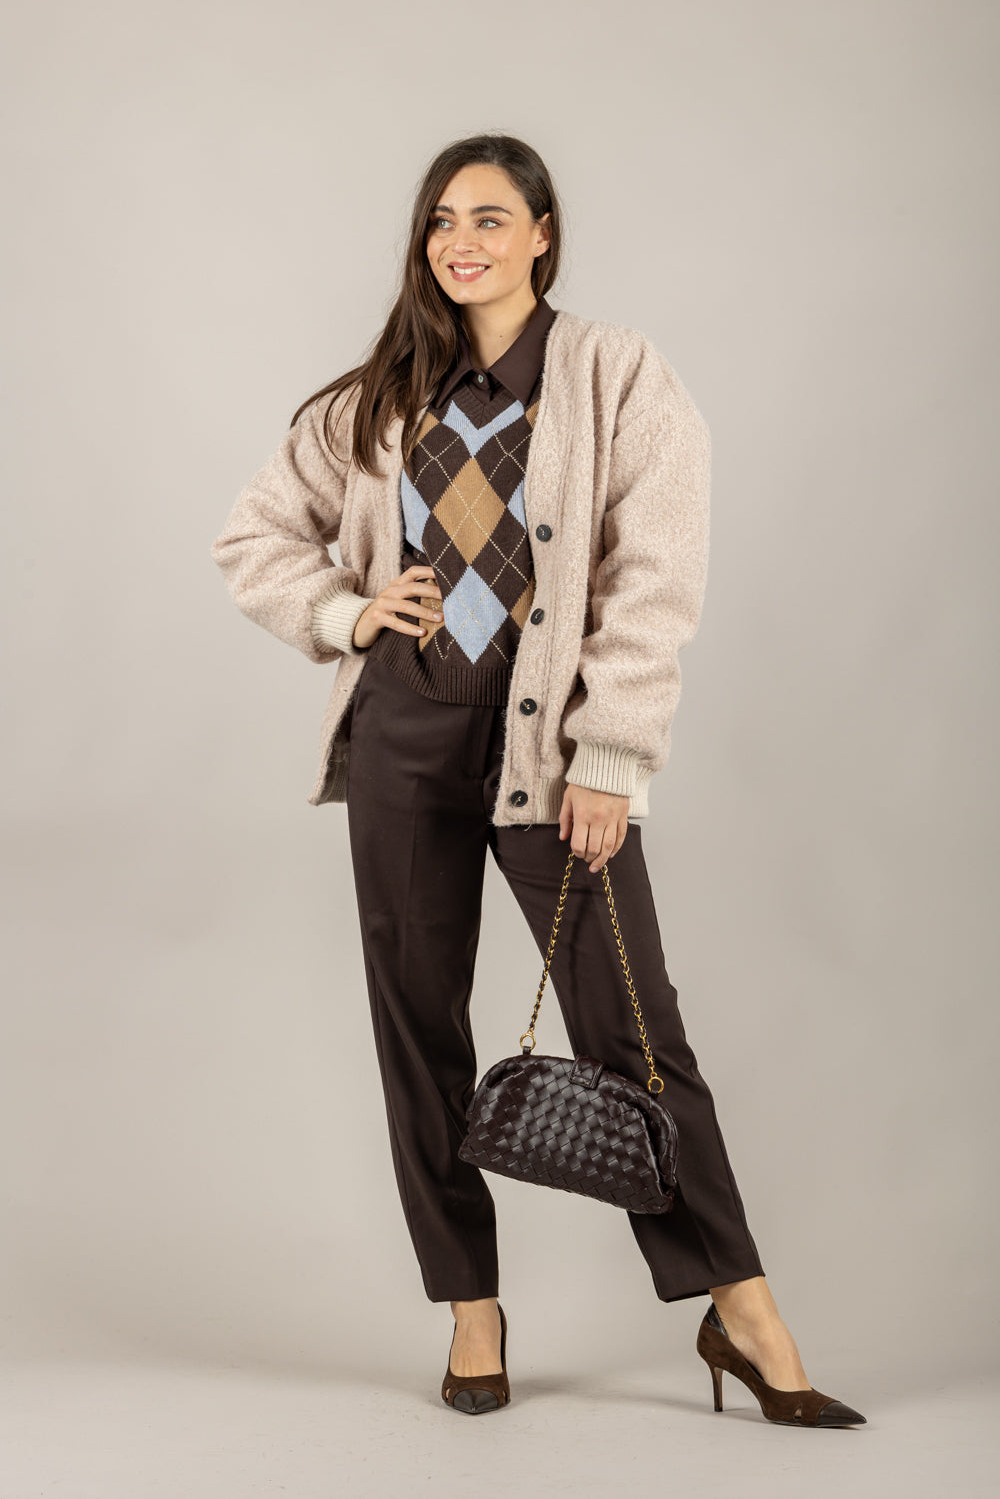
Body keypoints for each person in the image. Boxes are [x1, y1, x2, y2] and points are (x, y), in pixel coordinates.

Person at [210, 132, 866, 1428]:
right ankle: (471, 1307)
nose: (463, 242)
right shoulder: (376, 396)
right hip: (405, 737)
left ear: (544, 233)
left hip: (551, 756)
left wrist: (612, 753)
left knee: (635, 1032)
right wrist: (348, 613)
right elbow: (254, 536)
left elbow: (655, 573)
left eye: (491, 219)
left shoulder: (616, 373)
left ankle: (742, 1312)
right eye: (443, 220)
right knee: (419, 1029)